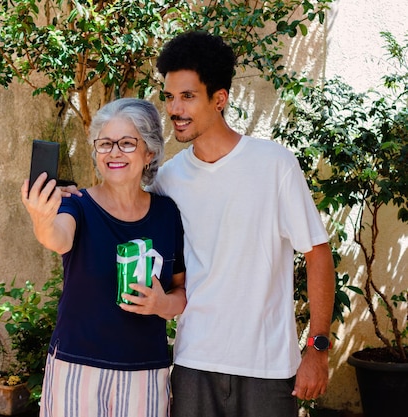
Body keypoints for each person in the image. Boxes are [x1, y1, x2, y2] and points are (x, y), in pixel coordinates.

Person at [148, 31, 336, 417]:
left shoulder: (274, 166)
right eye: (169, 96)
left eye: (187, 96)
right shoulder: (169, 179)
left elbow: (317, 253)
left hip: (267, 368)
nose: (174, 109)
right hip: (194, 363)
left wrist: (317, 348)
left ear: (219, 99)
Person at [21, 98, 187, 417]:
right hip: (76, 367)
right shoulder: (77, 205)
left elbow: (181, 291)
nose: (113, 152)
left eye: (126, 143)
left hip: (145, 373)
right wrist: (41, 216)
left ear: (148, 151)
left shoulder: (167, 214)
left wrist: (161, 304)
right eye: (105, 143)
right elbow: (57, 238)